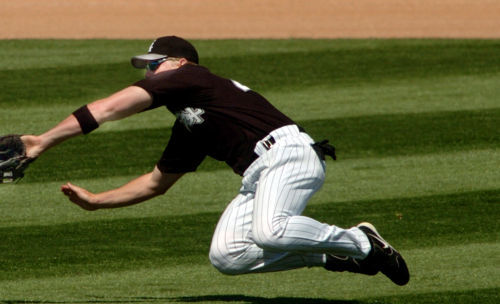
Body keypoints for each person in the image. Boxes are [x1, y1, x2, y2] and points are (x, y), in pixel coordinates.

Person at [20, 36, 409, 286]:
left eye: (156, 64)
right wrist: (96, 201)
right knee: (229, 255)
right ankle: (335, 254)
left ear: (179, 63)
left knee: (271, 232)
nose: (151, 72)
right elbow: (157, 182)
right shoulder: (191, 118)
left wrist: (43, 141)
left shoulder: (195, 78)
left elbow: (108, 108)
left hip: (288, 154)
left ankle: (360, 240)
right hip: (260, 173)